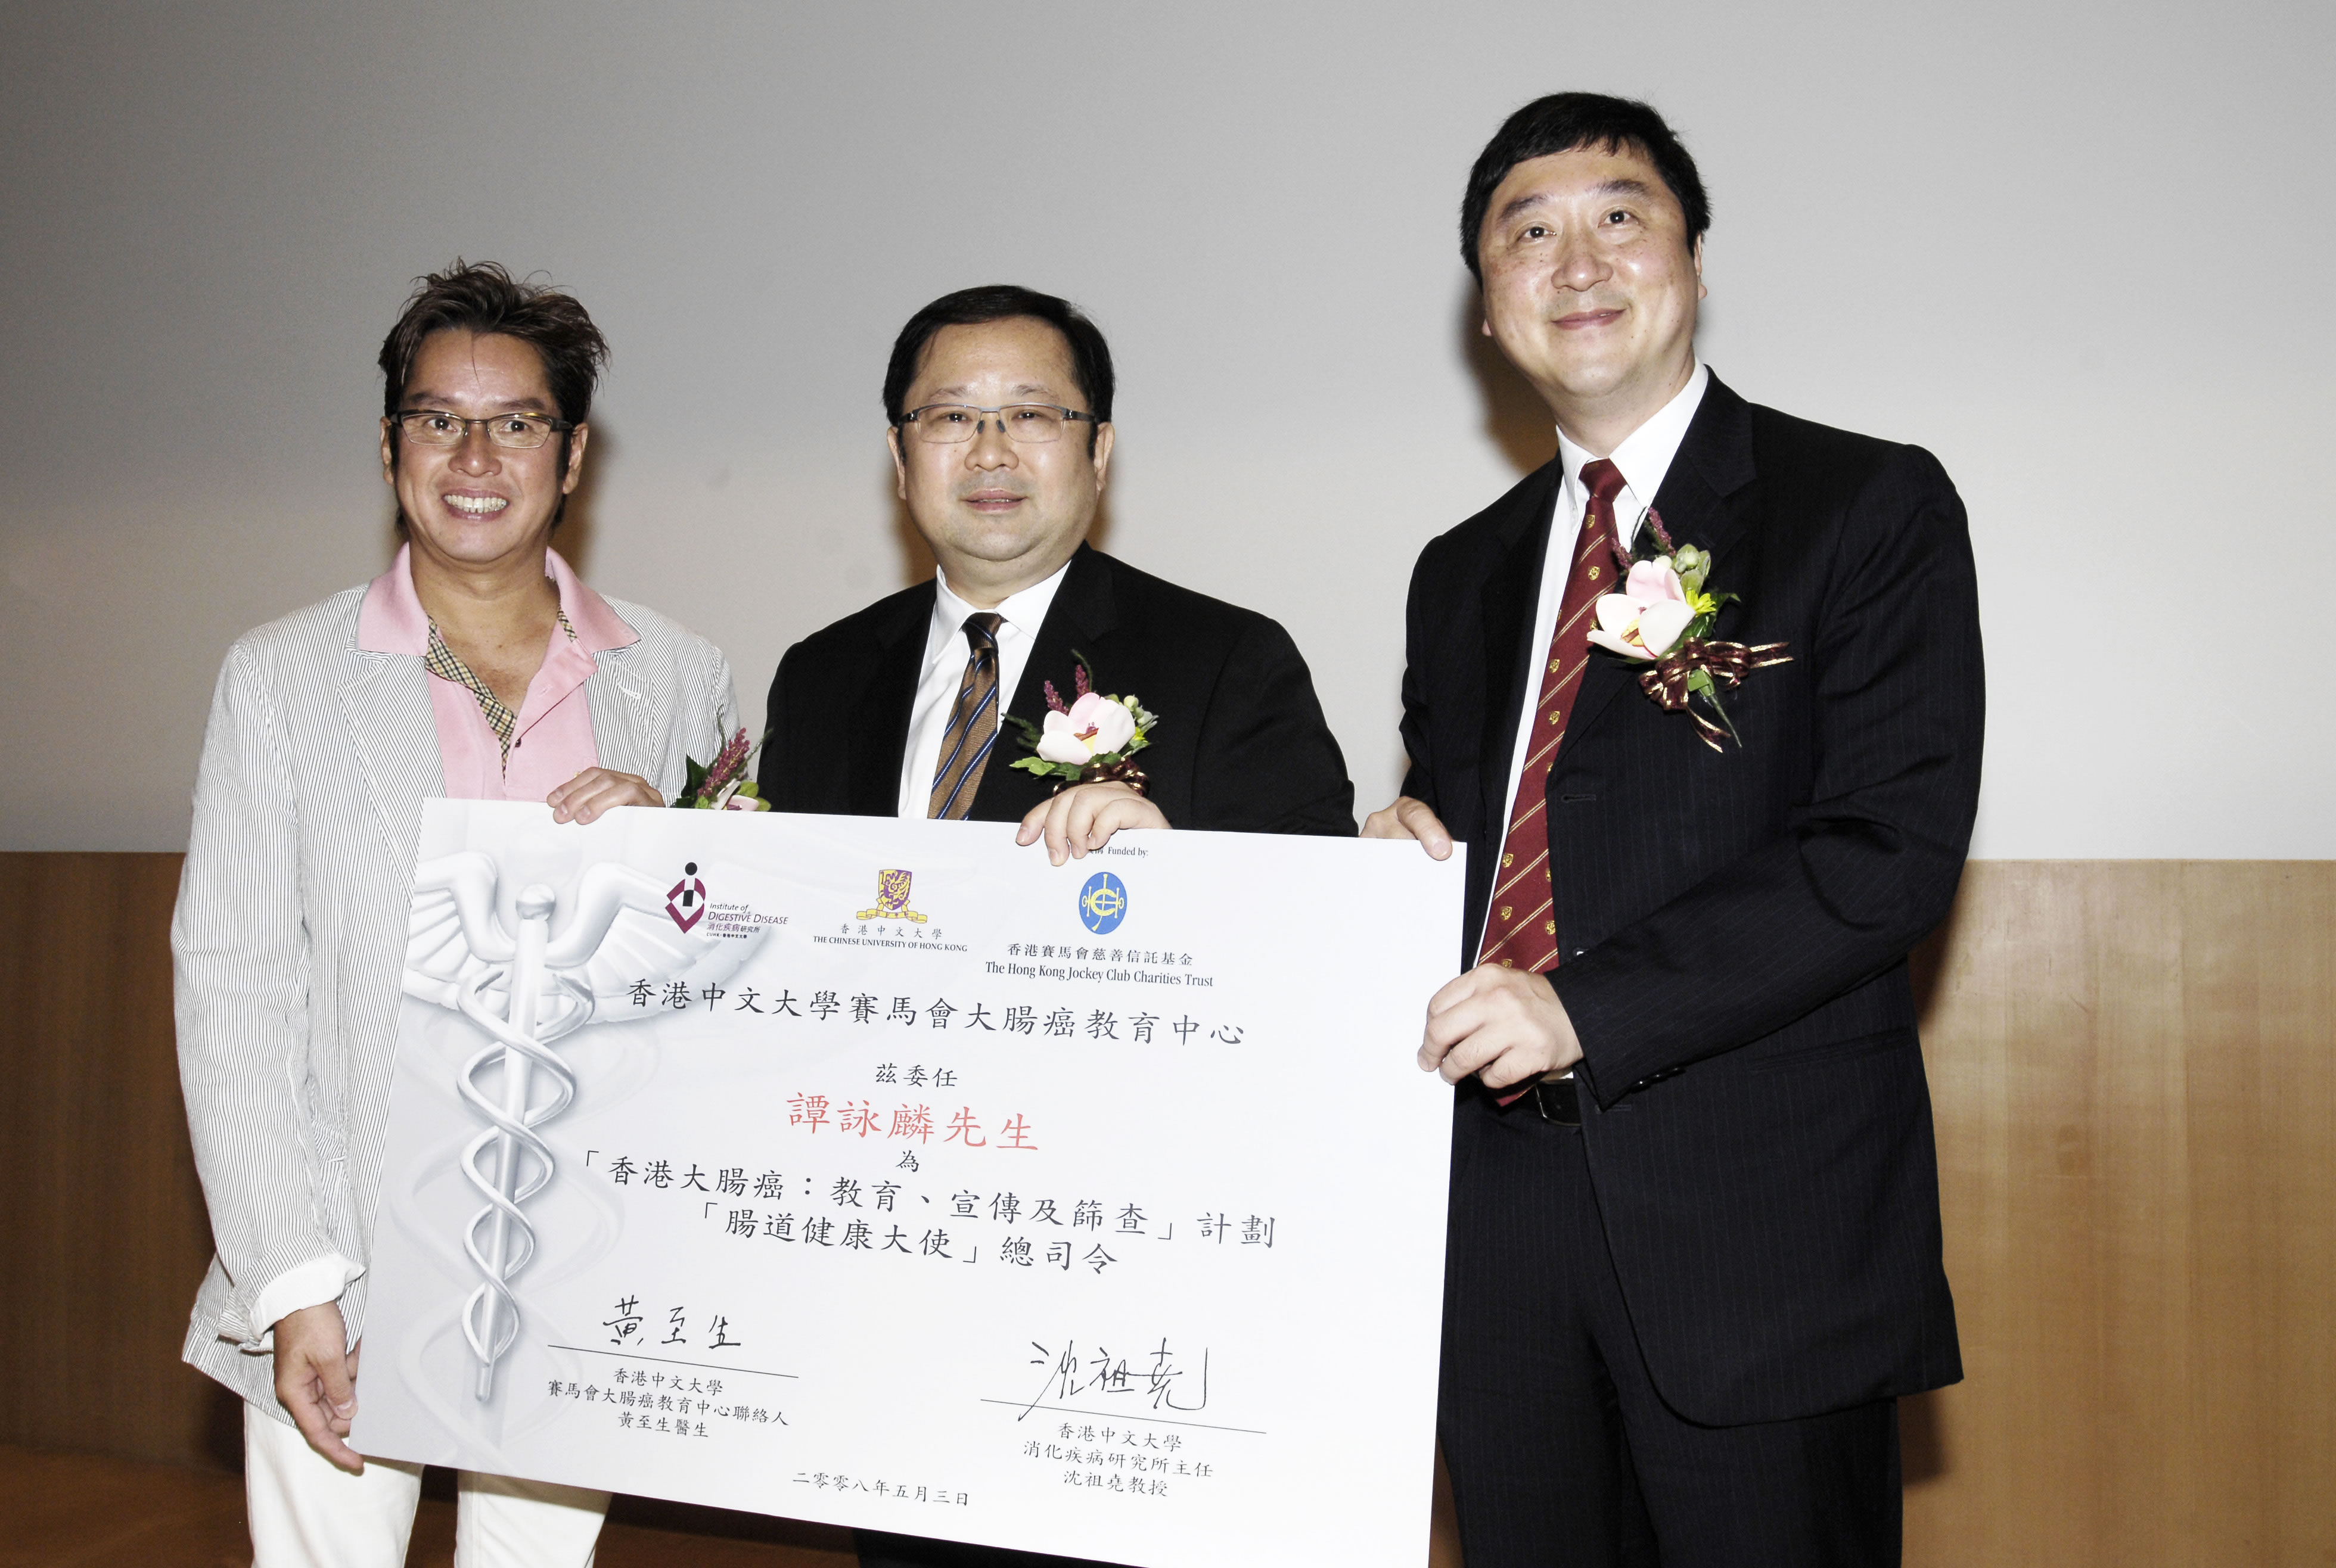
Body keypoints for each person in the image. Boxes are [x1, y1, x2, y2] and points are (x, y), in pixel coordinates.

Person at [1367, 94, 1983, 1566]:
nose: (1573, 259)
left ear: (1695, 262)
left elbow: (1881, 851)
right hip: (1491, 1227)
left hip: (1752, 1222)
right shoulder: (1460, 570)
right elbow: (1491, 837)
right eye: (1526, 231)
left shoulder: (1863, 501)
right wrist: (1400, 861)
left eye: (1618, 216)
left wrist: (1580, 1005)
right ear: (1487, 305)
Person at [757, 284, 1353, 1567]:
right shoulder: (820, 675)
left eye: (1030, 414)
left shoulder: (1224, 663)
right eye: (949, 418)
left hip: (1119, 1305)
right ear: (897, 453)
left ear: (1099, 448)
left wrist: (1175, 879)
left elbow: (1317, 967)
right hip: (890, 1284)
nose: (987, 451)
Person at [174, 261, 742, 1567]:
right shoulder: (280, 678)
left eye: (517, 422)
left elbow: (718, 976)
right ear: (389, 448)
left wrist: (678, 851)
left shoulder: (679, 675)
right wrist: (291, 1282)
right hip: (346, 1246)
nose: (475, 454)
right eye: (438, 419)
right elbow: (232, 987)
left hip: (576, 1236)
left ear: (574, 453)